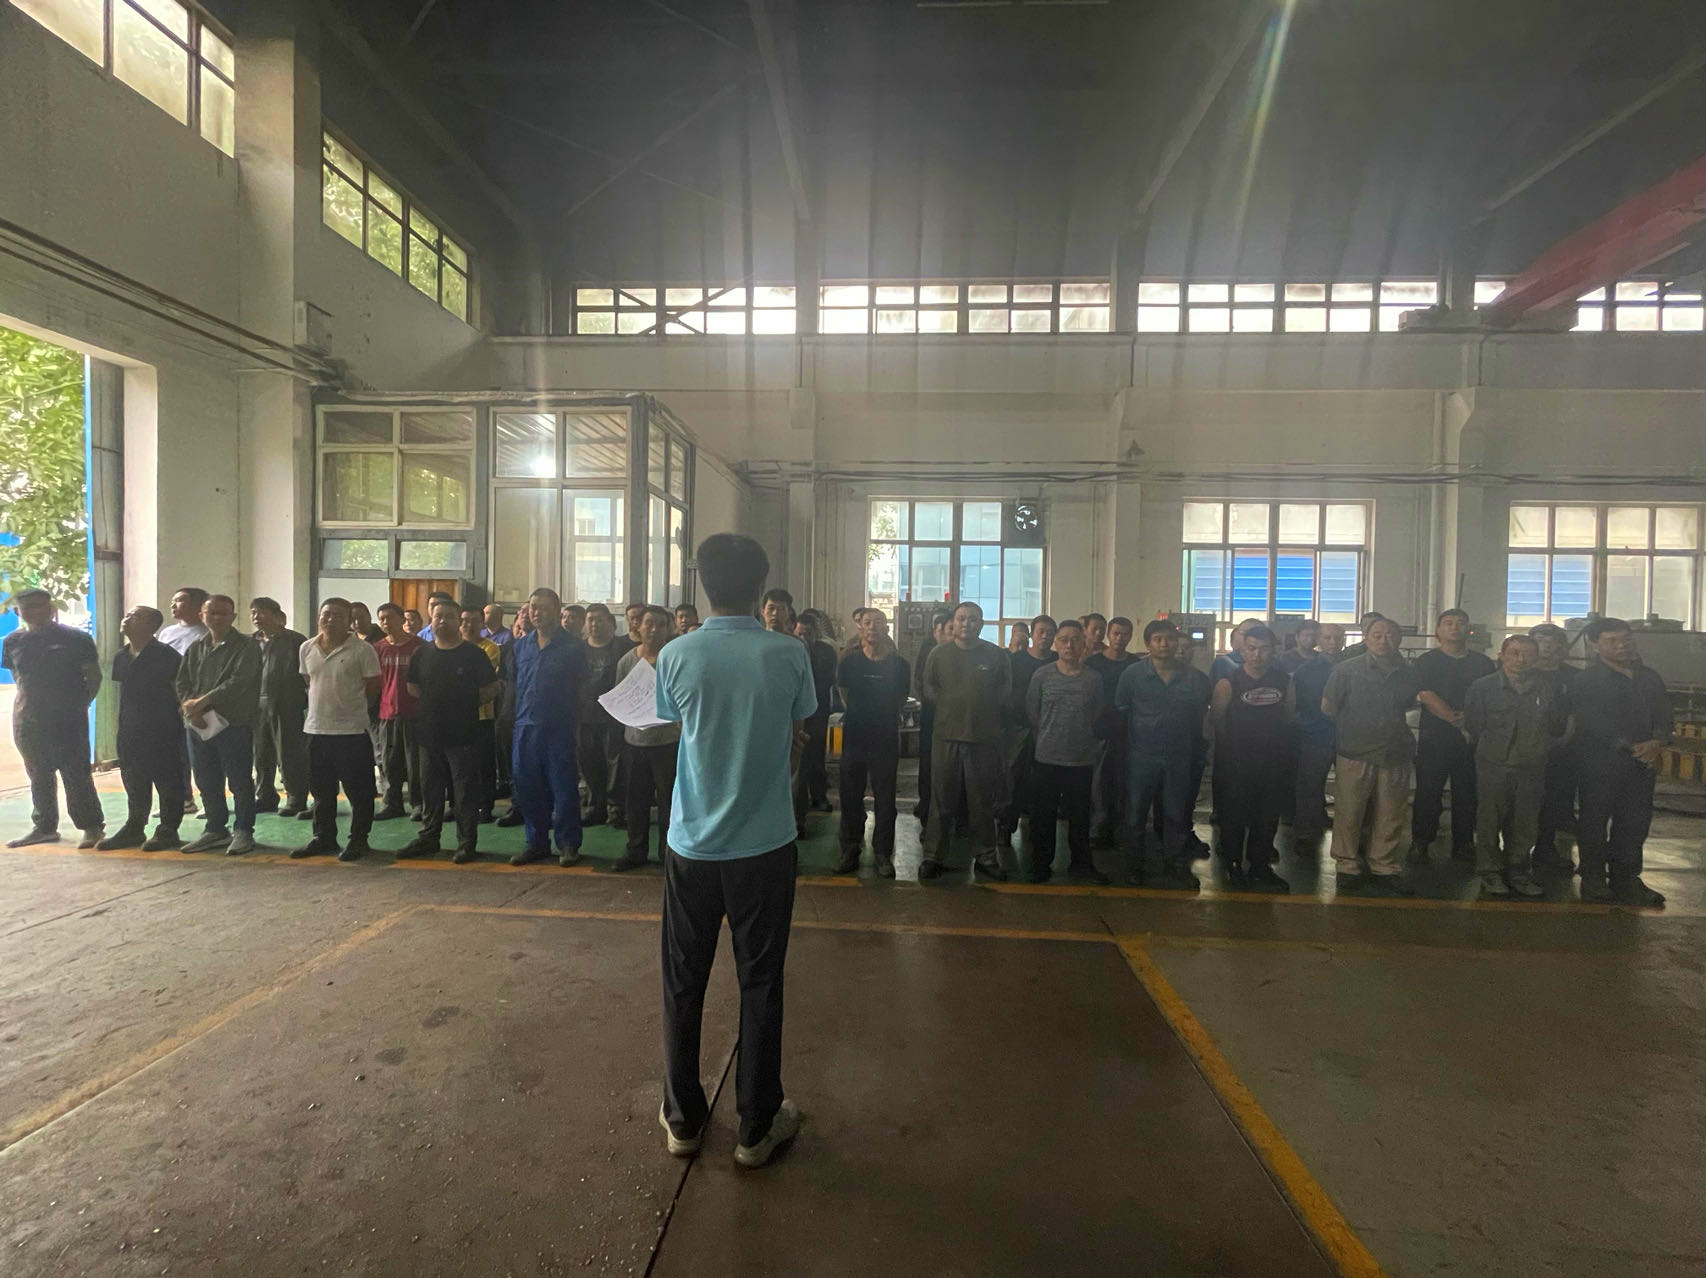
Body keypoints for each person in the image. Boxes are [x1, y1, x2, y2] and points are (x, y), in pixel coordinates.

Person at [654, 533, 813, 1169]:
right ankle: (756, 1126)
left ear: (703, 584)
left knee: (683, 980)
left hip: (692, 844)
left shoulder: (676, 653)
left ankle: (684, 1119)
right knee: (761, 981)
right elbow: (799, 725)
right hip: (765, 845)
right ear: (760, 585)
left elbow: (675, 721)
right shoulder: (790, 653)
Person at [1571, 618, 1669, 907]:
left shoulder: (1649, 677)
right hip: (1599, 764)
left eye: (1626, 639)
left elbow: (1664, 714)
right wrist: (1631, 746)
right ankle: (1593, 878)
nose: (1622, 645)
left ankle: (1626, 878)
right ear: (1596, 646)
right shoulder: (1587, 680)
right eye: (1612, 641)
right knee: (1594, 821)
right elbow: (1591, 721)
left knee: (1635, 823)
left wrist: (1657, 741)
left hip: (1641, 765)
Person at [1321, 617, 1420, 896]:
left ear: (1399, 640)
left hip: (1395, 751)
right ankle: (1347, 864)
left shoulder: (1409, 672)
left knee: (1391, 812)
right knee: (1349, 810)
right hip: (1356, 750)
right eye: (1376, 635)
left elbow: (1411, 705)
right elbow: (1328, 706)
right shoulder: (1346, 670)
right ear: (1365, 638)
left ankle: (1383, 865)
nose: (1383, 640)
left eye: (1390, 635)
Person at [400, 598, 501, 863]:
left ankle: (467, 843)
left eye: (449, 616)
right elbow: (413, 687)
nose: (443, 621)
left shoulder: (473, 655)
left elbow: (492, 688)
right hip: (429, 735)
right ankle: (429, 837)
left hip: (464, 735)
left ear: (459, 622)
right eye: (438, 616)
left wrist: (462, 704)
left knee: (464, 792)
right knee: (431, 791)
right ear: (431, 620)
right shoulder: (422, 653)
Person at [4, 588, 105, 848]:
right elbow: (18, 677)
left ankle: (92, 827)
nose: (34, 611)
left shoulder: (76, 638)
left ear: (51, 608)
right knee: (38, 773)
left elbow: (93, 676)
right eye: (27, 607)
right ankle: (44, 827)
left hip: (68, 718)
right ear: (17, 611)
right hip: (28, 719)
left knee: (76, 773)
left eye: (39, 605)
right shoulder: (13, 641)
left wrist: (79, 704)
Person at [1463, 635, 1562, 899]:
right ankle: (1490, 872)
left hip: (1532, 764)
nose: (1521, 659)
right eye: (1515, 653)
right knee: (1489, 820)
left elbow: (1555, 723)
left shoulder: (1548, 688)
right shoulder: (1483, 687)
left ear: (1537, 658)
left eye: (1528, 654)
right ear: (1501, 655)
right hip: (1493, 763)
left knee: (1525, 821)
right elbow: (1473, 724)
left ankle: (1518, 871)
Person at [920, 601, 1012, 881]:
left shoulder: (996, 655)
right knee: (941, 801)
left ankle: (986, 856)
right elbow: (928, 687)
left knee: (982, 802)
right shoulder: (938, 654)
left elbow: (1005, 690)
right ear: (954, 622)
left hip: (983, 738)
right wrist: (951, 706)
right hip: (946, 736)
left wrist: (982, 710)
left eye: (973, 619)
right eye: (961, 618)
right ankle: (933, 856)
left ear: (981, 624)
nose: (966, 624)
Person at [1116, 620, 1212, 890]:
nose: (1164, 644)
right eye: (1157, 639)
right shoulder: (1132, 675)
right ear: (1148, 644)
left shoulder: (1195, 678)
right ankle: (1134, 866)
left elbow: (1200, 717)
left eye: (1169, 639)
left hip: (1179, 757)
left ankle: (1176, 864)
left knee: (1176, 813)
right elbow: (1122, 709)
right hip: (1141, 756)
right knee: (1135, 813)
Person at [292, 598, 382, 861]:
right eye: (326, 614)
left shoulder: (363, 650)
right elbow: (309, 681)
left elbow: (373, 687)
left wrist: (351, 710)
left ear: (349, 621)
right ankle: (324, 838)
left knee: (359, 792)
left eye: (338, 615)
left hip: (351, 732)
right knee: (321, 791)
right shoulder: (307, 648)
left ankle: (359, 840)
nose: (330, 619)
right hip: (316, 730)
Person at [1025, 619, 1110, 884]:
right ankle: (1041, 864)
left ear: (1084, 644)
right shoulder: (1042, 676)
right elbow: (1032, 711)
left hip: (1080, 760)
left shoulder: (1094, 679)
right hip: (1047, 758)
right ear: (1055, 643)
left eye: (1075, 640)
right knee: (1043, 816)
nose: (1069, 645)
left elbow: (1097, 713)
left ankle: (1081, 865)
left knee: (1080, 817)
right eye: (1063, 640)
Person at [175, 594, 261, 855]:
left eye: (223, 613)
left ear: (233, 616)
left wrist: (201, 702)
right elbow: (182, 681)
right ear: (202, 616)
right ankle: (215, 829)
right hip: (198, 724)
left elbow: (238, 682)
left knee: (239, 779)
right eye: (212, 613)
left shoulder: (246, 646)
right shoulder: (196, 647)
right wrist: (190, 709)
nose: (217, 618)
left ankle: (243, 830)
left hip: (233, 723)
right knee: (206, 778)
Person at [1409, 609, 1495, 866]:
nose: (1455, 627)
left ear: (1469, 629)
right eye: (1448, 623)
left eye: (1460, 623)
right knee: (1428, 791)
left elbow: (1488, 697)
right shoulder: (1427, 661)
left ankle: (1464, 843)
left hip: (1472, 737)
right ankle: (1421, 841)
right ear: (1438, 630)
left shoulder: (1482, 663)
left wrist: (1468, 720)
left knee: (1467, 793)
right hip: (1435, 737)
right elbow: (1425, 694)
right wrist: (1453, 719)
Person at [509, 587, 588, 867]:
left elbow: (582, 689)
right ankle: (536, 843)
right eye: (533, 607)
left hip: (559, 728)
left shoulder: (574, 648)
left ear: (557, 611)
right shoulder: (520, 646)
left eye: (543, 608)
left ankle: (568, 844)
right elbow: (513, 685)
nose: (537, 612)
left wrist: (578, 726)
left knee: (563, 788)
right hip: (525, 727)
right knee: (528, 786)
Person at [1211, 624, 1293, 891]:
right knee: (1233, 816)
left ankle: (1260, 868)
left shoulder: (1285, 681)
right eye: (1252, 648)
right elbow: (1218, 722)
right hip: (1237, 763)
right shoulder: (1228, 682)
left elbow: (1288, 717)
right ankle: (1233, 866)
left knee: (1267, 817)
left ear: (1274, 650)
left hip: (1272, 762)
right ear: (1242, 650)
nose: (1258, 654)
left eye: (1264, 649)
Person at [100, 606, 185, 850]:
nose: (127, 619)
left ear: (152, 626)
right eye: (127, 615)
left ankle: (168, 829)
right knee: (134, 778)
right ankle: (135, 827)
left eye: (135, 617)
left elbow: (179, 689)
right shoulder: (121, 656)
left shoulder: (166, 655)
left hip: (163, 728)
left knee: (167, 779)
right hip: (130, 728)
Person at [835, 607, 909, 878]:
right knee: (850, 796)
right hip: (855, 737)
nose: (873, 627)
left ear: (887, 628)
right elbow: (844, 693)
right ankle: (850, 848)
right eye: (868, 622)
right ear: (860, 628)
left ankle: (882, 853)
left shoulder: (900, 665)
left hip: (885, 737)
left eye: (879, 622)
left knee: (886, 798)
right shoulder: (850, 663)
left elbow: (901, 698)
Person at [613, 606, 680, 872]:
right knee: (635, 801)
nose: (654, 629)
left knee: (668, 802)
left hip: (668, 742)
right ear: (638, 626)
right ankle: (636, 850)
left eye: (660, 624)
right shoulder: (626, 661)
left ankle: (668, 853)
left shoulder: (674, 659)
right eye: (649, 623)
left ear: (669, 629)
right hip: (634, 742)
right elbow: (620, 697)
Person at [998, 613, 1057, 841]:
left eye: (1050, 633)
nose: (1045, 636)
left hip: (1049, 729)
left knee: (1042, 781)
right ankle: (1005, 826)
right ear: (1032, 634)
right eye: (1041, 632)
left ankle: (1036, 829)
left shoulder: (1057, 662)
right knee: (1012, 777)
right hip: (1018, 728)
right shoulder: (1015, 661)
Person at [249, 597, 309, 818]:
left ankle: (296, 797)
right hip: (257, 707)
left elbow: (306, 675)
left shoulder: (295, 641)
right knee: (261, 755)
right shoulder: (250, 642)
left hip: (287, 705)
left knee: (289, 753)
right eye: (253, 612)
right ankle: (265, 797)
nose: (257, 617)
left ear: (277, 616)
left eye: (262, 612)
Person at [1528, 623, 1579, 873]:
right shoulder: (1520, 673)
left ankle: (1545, 849)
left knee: (1553, 801)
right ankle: (1511, 853)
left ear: (1562, 646)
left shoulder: (1574, 677)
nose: (1547, 646)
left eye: (1553, 641)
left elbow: (1577, 711)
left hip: (1561, 750)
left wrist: (1565, 737)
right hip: (1523, 750)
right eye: (1541, 640)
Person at [1086, 616, 1138, 845]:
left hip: (1129, 733)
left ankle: (1120, 828)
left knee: (1125, 783)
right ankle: (1098, 828)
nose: (1120, 638)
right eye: (1116, 633)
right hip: (1100, 732)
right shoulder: (1093, 663)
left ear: (1131, 636)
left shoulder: (1135, 665)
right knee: (1099, 783)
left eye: (1125, 634)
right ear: (1108, 634)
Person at [1291, 623, 1344, 851]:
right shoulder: (1305, 671)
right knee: (1310, 787)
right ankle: (1306, 832)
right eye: (1327, 637)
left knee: (1351, 789)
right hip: (1315, 734)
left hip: (1349, 736)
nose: (1333, 642)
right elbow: (1296, 703)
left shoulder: (1354, 667)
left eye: (1337, 637)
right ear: (1318, 640)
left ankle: (1351, 837)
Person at [156, 586, 209, 812]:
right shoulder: (167, 633)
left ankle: (211, 801)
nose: (173, 605)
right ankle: (184, 799)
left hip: (196, 700)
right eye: (173, 600)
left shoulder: (206, 634)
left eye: (180, 601)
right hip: (168, 699)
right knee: (174, 752)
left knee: (202, 753)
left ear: (198, 606)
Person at [372, 603, 425, 820]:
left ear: (402, 619)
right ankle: (392, 804)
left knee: (415, 763)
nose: (385, 622)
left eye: (390, 617)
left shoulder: (420, 647)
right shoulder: (378, 648)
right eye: (381, 618)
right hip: (387, 714)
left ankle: (418, 804)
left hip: (415, 714)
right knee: (389, 763)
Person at [577, 603, 625, 827]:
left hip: (614, 717)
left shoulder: (622, 649)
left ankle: (616, 809)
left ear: (611, 623)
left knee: (616, 763)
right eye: (591, 620)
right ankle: (595, 806)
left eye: (600, 619)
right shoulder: (577, 651)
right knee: (589, 762)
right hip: (584, 716)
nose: (595, 624)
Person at [459, 606, 503, 824]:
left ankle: (485, 806)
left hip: (482, 716)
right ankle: (460, 806)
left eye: (474, 621)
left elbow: (480, 679)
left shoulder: (490, 648)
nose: (468, 625)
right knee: (460, 766)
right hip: (455, 717)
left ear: (482, 624)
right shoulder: (451, 647)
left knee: (483, 764)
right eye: (464, 621)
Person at [792, 609, 837, 815]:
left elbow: (825, 681)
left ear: (815, 633)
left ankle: (819, 795)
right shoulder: (790, 651)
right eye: (799, 634)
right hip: (795, 712)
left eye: (807, 634)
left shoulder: (825, 652)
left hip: (817, 711)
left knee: (816, 754)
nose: (803, 638)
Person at [912, 608, 953, 823]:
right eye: (950, 629)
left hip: (956, 718)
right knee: (929, 761)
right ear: (938, 631)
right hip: (933, 714)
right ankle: (926, 806)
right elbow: (921, 683)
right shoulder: (930, 651)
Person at [157, 586, 211, 655]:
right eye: (172, 602)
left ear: (196, 604)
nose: (172, 606)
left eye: (178, 601)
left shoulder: (209, 633)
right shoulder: (167, 632)